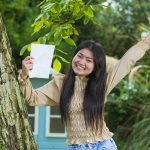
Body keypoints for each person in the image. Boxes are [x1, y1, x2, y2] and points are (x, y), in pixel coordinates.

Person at [19, 37, 150, 150]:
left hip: (103, 145)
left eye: (89, 60)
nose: (81, 62)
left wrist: (145, 43)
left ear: (96, 66)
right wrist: (24, 75)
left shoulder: (102, 85)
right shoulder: (60, 84)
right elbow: (32, 98)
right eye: (79, 56)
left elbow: (125, 62)